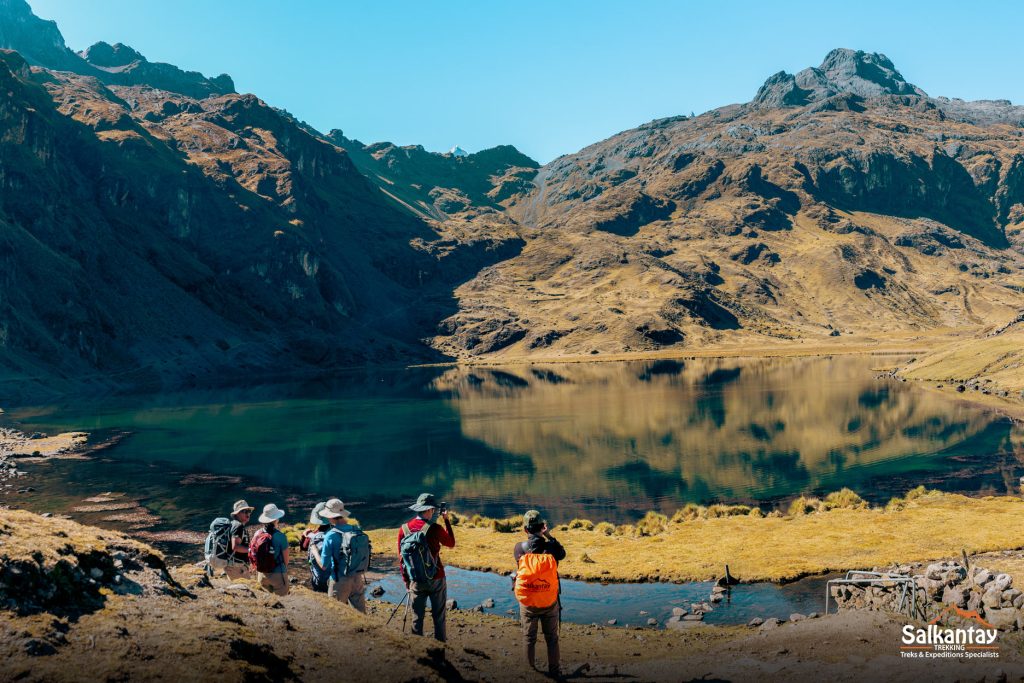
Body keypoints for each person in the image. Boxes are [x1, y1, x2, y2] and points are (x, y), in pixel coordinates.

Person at [513, 510, 565, 678]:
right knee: (552, 639)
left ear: (525, 530)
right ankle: (554, 671)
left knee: (529, 638)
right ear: (543, 527)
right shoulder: (551, 548)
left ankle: (529, 672)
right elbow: (562, 554)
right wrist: (549, 535)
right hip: (549, 600)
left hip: (528, 602)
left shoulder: (519, 548)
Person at [397, 493, 455, 642]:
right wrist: (446, 521)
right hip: (436, 578)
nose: (434, 512)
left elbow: (401, 560)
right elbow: (451, 543)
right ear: (429, 510)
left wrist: (407, 582)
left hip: (415, 580)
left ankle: (419, 653)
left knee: (417, 618)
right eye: (433, 509)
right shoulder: (435, 528)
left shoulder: (404, 529)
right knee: (439, 618)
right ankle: (440, 652)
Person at [320, 498, 370, 612]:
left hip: (339, 580)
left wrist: (313, 550)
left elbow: (324, 566)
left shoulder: (330, 535)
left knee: (335, 615)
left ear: (331, 516)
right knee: (360, 615)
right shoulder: (356, 530)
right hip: (357, 578)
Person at [208, 499, 254, 580]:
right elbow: (235, 547)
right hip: (237, 567)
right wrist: (252, 550)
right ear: (237, 514)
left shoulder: (234, 524)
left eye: (249, 511)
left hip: (234, 566)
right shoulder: (238, 526)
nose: (248, 514)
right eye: (244, 511)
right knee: (245, 590)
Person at [252, 503, 290, 595]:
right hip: (277, 575)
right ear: (276, 519)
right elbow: (286, 561)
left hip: (261, 574)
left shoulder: (257, 533)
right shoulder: (281, 536)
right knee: (282, 604)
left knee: (267, 604)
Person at [303, 502, 330, 592]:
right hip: (338, 577)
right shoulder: (337, 533)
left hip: (320, 579)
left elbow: (304, 546)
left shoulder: (314, 536)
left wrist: (306, 535)